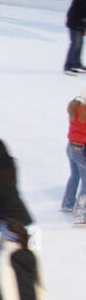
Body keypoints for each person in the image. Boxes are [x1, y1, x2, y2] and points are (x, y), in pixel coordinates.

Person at [0, 138, 32, 288]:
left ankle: (3, 284)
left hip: (11, 218)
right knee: (6, 251)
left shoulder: (1, 171)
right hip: (7, 217)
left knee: (5, 252)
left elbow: (7, 197)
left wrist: (10, 224)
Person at [64, 92, 86, 223]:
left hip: (71, 147)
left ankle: (67, 203)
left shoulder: (75, 107)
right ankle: (81, 214)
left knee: (75, 176)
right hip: (81, 150)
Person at [65, 0, 86, 74]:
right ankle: (68, 66)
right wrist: (82, 24)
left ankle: (77, 63)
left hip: (80, 21)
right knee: (75, 44)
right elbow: (81, 9)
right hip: (75, 21)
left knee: (80, 43)